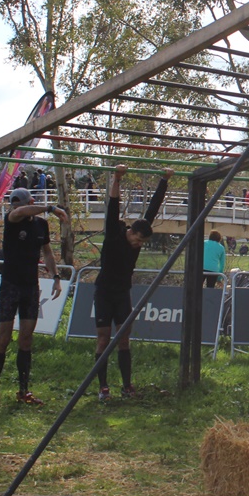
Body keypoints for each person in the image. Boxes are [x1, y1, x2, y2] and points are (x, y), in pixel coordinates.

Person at [92, 165, 173, 403]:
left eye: (142, 243)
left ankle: (127, 385)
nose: (139, 245)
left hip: (122, 293)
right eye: (138, 240)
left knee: (124, 339)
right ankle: (103, 387)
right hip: (104, 291)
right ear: (131, 232)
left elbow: (153, 208)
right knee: (103, 339)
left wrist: (164, 179)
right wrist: (117, 178)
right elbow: (113, 205)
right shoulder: (113, 235)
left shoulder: (141, 230)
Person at [0, 188, 67, 406]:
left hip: (30, 286)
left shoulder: (40, 225)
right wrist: (51, 208)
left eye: (20, 204)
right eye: (14, 205)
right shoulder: (12, 218)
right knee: (3, 338)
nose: (16, 208)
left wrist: (56, 276)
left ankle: (23, 390)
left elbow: (47, 252)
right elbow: (21, 211)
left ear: (30, 201)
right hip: (10, 285)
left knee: (26, 339)